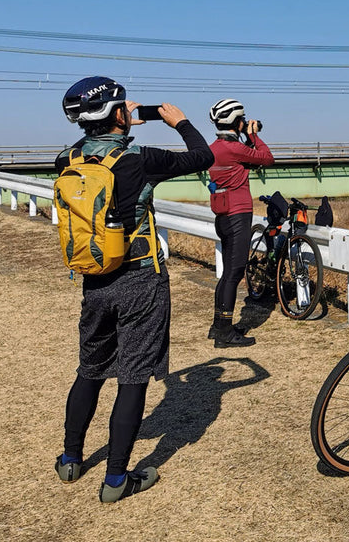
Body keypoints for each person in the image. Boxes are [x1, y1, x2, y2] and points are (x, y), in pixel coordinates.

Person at [54, 76, 214, 502]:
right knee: (133, 376)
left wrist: (118, 122)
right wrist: (177, 121)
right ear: (117, 114)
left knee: (89, 370)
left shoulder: (65, 159)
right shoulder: (140, 160)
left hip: (94, 280)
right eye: (124, 106)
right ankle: (115, 480)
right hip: (140, 279)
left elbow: (97, 156)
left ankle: (70, 460)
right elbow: (204, 156)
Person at [206, 99, 274, 348]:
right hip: (237, 215)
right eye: (243, 120)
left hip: (223, 216)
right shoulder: (233, 149)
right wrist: (253, 135)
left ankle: (219, 325)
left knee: (227, 274)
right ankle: (224, 333)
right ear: (237, 122)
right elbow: (266, 159)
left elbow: (247, 162)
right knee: (234, 274)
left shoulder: (217, 147)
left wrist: (244, 136)